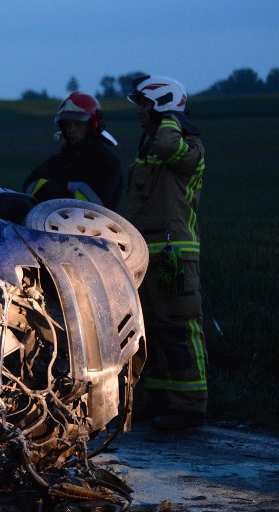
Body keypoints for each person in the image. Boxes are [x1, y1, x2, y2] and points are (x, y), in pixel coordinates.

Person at [125, 75, 208, 432]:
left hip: (175, 255)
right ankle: (158, 398)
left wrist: (169, 118)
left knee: (179, 327)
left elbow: (167, 145)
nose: (140, 112)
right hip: (148, 255)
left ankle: (191, 404)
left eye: (145, 105)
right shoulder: (150, 147)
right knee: (154, 331)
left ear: (162, 106)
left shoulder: (184, 146)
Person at [23, 92, 123, 210]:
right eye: (68, 125)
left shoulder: (108, 163)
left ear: (92, 125)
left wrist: (53, 188)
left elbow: (94, 205)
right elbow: (30, 188)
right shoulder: (57, 161)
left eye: (78, 124)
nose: (71, 130)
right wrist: (69, 187)